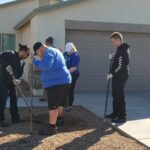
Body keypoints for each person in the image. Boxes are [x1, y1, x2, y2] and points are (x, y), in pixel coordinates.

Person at [32, 42, 71, 136]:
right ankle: (60, 121)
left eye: (37, 53)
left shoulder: (48, 53)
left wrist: (35, 61)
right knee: (60, 103)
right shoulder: (54, 50)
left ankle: (52, 128)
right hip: (63, 81)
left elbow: (46, 67)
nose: (38, 55)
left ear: (39, 49)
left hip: (56, 83)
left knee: (53, 106)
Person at [0, 44, 30, 127]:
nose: (27, 56)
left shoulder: (22, 62)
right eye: (27, 54)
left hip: (13, 83)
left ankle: (15, 118)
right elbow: (0, 58)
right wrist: (6, 64)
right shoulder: (10, 54)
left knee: (14, 99)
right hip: (4, 81)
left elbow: (20, 73)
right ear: (22, 51)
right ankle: (1, 119)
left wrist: (19, 80)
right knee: (2, 100)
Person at [106, 32, 130, 123]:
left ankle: (122, 116)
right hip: (117, 76)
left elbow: (121, 66)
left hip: (121, 76)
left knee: (119, 95)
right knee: (115, 95)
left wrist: (112, 74)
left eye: (113, 41)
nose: (112, 43)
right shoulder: (119, 49)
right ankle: (115, 113)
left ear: (118, 40)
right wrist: (112, 57)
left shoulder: (123, 50)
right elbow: (118, 61)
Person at [63, 42, 80, 112]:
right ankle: (64, 104)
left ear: (72, 49)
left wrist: (65, 72)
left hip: (73, 74)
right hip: (66, 74)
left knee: (70, 89)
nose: (68, 52)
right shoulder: (65, 53)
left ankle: (69, 106)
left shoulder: (75, 56)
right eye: (67, 50)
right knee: (64, 89)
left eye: (69, 50)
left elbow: (74, 67)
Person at [39, 37, 54, 102]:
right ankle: (44, 97)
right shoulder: (50, 49)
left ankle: (48, 97)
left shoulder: (51, 50)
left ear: (48, 43)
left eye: (46, 43)